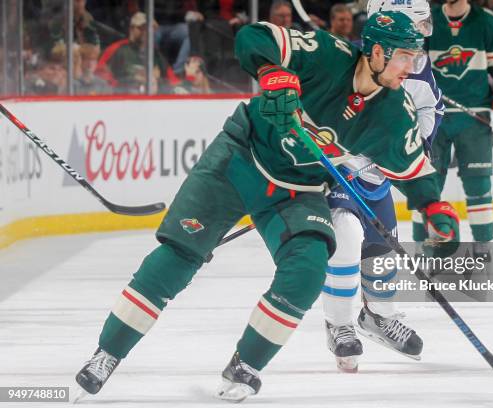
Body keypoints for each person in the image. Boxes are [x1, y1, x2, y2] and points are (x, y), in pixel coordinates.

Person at [74, 11, 459, 403]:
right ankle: (107, 353)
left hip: (298, 188)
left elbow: (414, 168)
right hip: (240, 158)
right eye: (405, 57)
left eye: (415, 57)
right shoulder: (327, 53)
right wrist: (273, 72)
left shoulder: (395, 111)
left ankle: (246, 365)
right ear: (377, 51)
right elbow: (252, 38)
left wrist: (433, 206)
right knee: (180, 254)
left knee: (308, 268)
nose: (411, 68)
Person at [322, 0, 447, 373]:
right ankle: (339, 324)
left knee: (382, 252)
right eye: (417, 26)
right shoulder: (353, 63)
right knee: (345, 238)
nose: (423, 34)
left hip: (379, 177)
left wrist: (414, 144)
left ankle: (378, 317)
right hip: (343, 173)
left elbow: (432, 110)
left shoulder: (417, 69)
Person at [423, 0, 493, 259]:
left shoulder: (489, 22)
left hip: (475, 117)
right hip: (434, 116)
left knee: (479, 185)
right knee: (427, 186)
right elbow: (414, 70)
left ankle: (483, 247)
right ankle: (432, 243)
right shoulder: (426, 20)